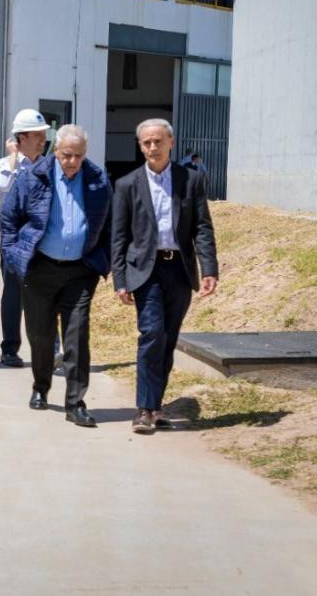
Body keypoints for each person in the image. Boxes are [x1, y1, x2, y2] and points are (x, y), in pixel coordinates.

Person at [0, 125, 111, 427]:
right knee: (40, 336)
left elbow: (111, 224)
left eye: (78, 156)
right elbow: (9, 218)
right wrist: (13, 254)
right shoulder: (32, 176)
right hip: (40, 269)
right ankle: (41, 386)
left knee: (76, 338)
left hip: (80, 272)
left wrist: (104, 260)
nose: (73, 162)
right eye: (66, 155)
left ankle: (76, 403)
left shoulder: (97, 180)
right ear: (55, 151)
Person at [112, 118, 219, 435]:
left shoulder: (192, 180)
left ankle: (156, 407)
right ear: (140, 146)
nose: (152, 147)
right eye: (146, 142)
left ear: (171, 143)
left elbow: (202, 227)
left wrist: (209, 268)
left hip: (179, 270)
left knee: (168, 340)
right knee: (152, 334)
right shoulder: (126, 184)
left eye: (158, 141)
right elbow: (118, 236)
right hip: (145, 270)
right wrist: (120, 279)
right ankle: (144, 409)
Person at [0, 109, 53, 368]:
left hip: (41, 239)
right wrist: (15, 159)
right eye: (37, 135)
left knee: (46, 295)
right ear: (21, 137)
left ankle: (51, 348)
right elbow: (6, 190)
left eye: (44, 135)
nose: (43, 140)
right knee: (13, 295)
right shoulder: (3, 166)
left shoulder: (51, 166)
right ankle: (10, 348)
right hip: (13, 240)